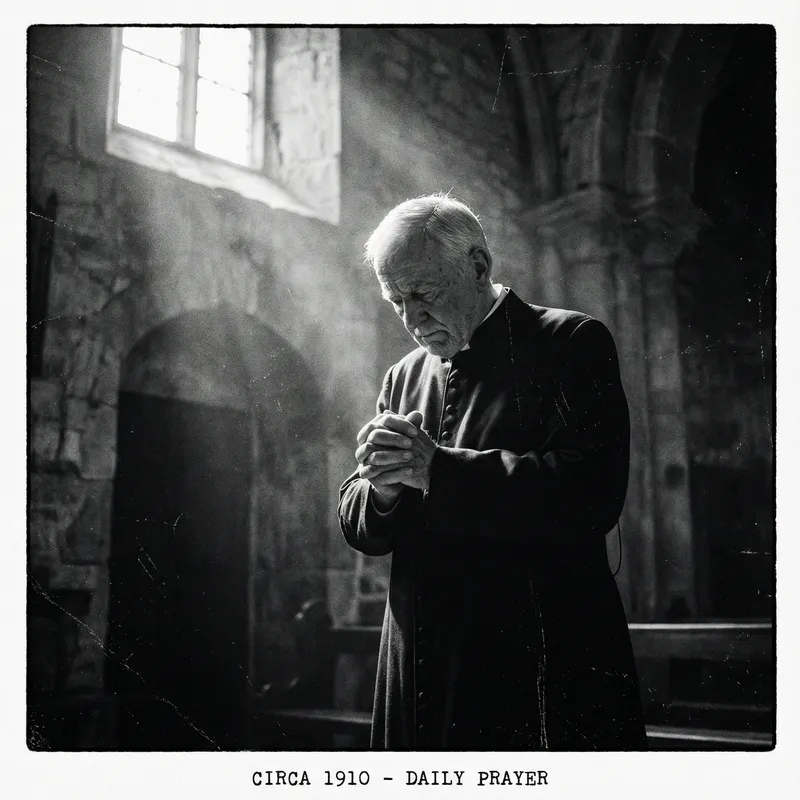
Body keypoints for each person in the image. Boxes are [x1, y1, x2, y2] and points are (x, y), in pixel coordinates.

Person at [338, 194, 646, 751]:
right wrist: (380, 493)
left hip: (531, 659)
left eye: (423, 295)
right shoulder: (403, 376)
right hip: (418, 665)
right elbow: (364, 522)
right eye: (394, 301)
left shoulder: (570, 342)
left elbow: (591, 492)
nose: (410, 319)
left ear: (478, 267)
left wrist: (440, 472)